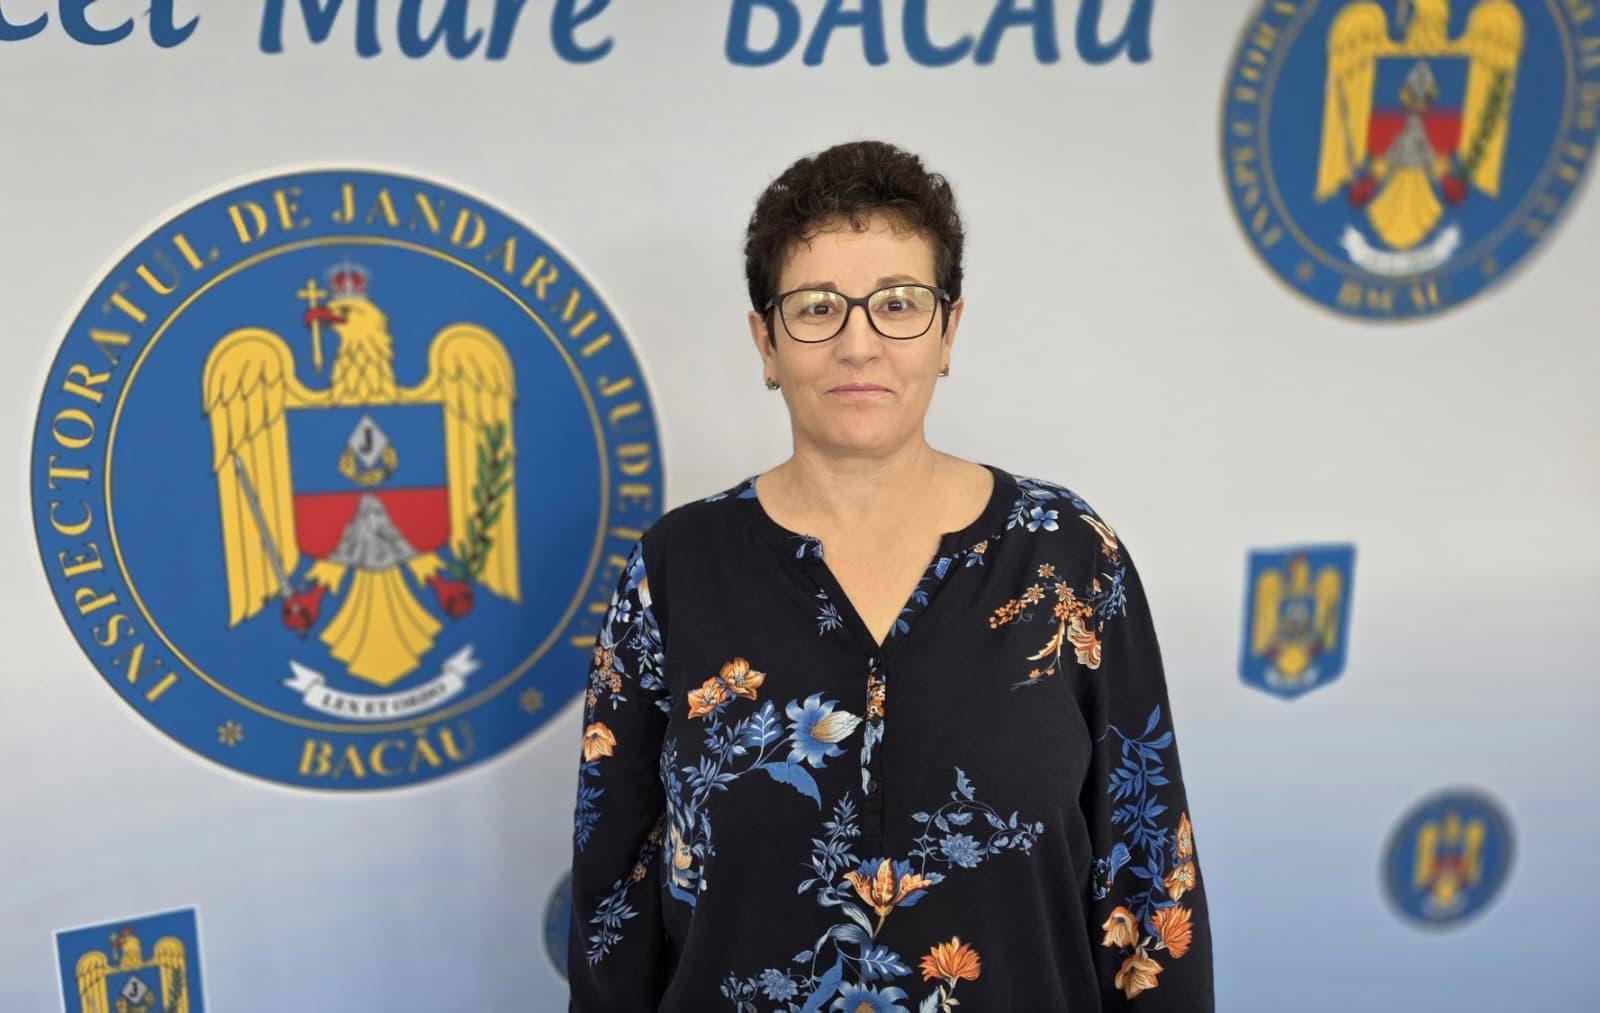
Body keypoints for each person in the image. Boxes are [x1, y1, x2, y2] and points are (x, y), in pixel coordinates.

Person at [567, 140, 1213, 1011]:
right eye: (817, 307)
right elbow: (612, 911)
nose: (858, 344)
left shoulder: (1069, 560)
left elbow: (1152, 884)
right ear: (766, 341)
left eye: (898, 304)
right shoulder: (673, 573)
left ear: (949, 330)